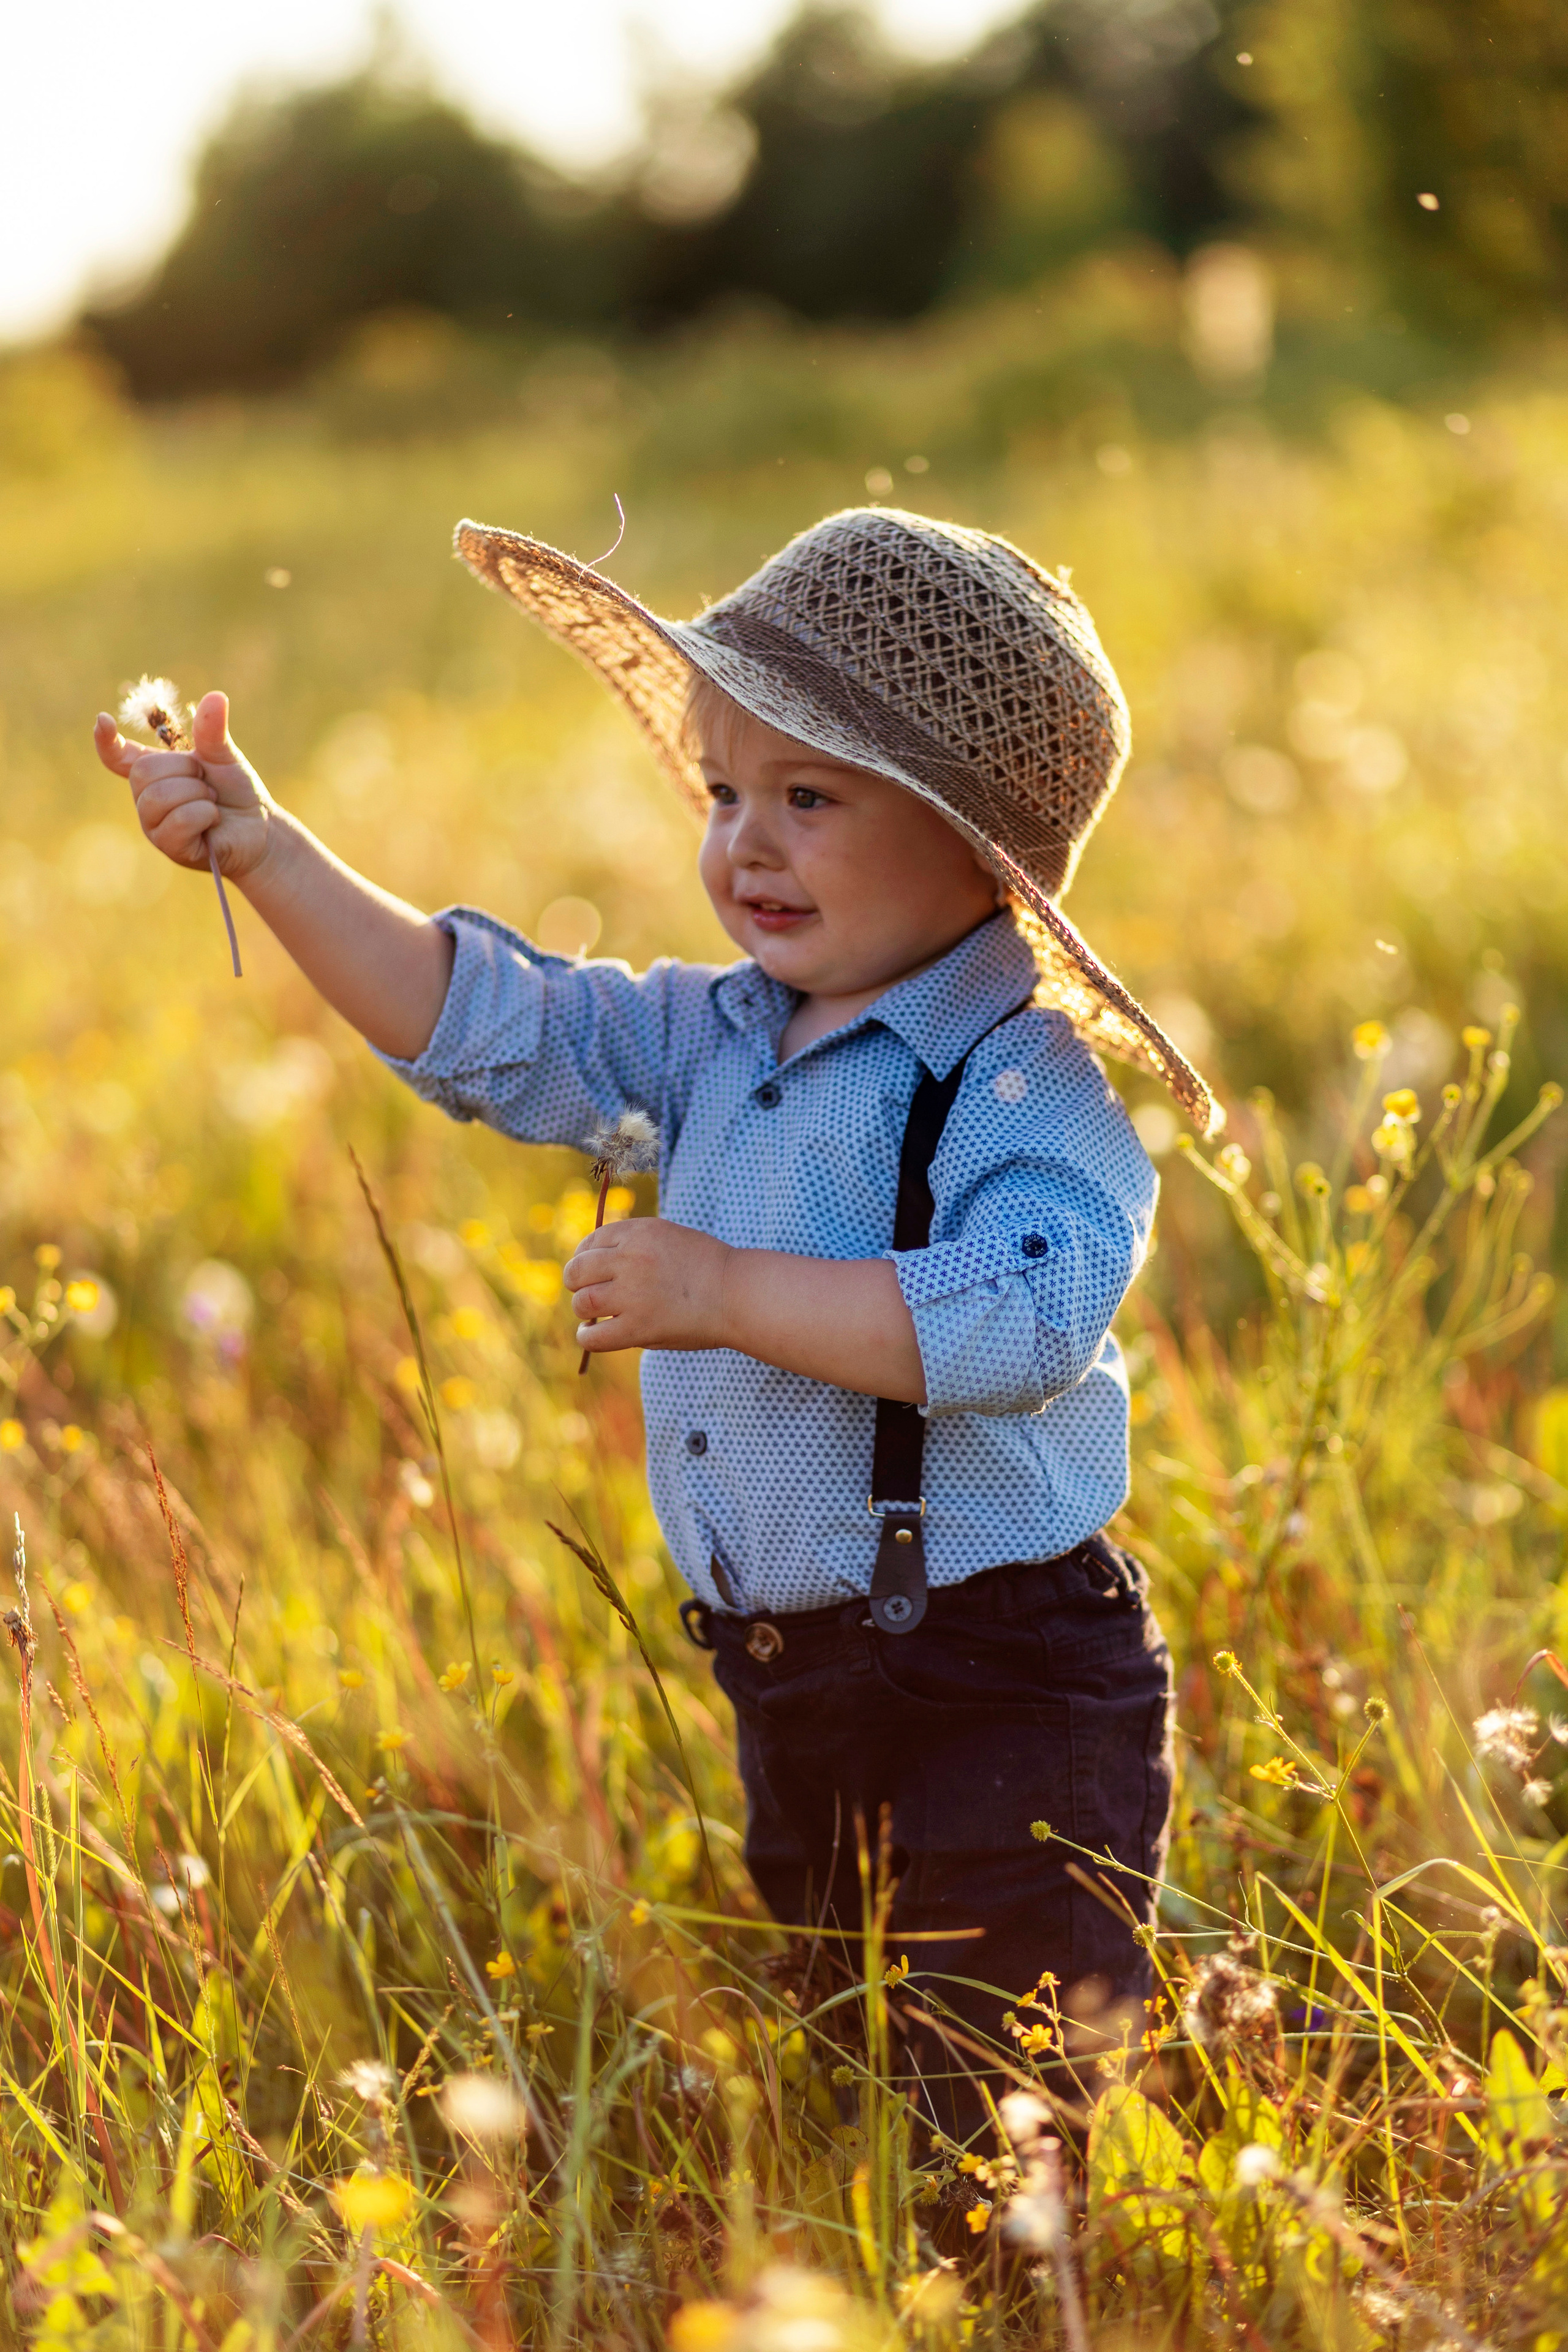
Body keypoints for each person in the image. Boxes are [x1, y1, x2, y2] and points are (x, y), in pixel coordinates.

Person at [94, 505, 1214, 2139]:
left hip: (1003, 1674)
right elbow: (491, 1024)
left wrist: (727, 1292)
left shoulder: (1020, 1077)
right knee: (863, 2060)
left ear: (979, 848)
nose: (742, 846)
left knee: (1006, 2102)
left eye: (807, 798)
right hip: (793, 1681)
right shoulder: (708, 1036)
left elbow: (1029, 1317)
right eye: (724, 792)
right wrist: (268, 852)